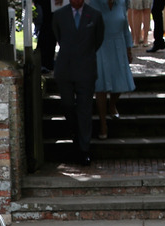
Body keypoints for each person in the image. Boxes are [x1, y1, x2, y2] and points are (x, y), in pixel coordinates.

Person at [52, 0, 105, 165]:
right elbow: (58, 36)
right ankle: (75, 134)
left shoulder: (95, 16)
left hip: (86, 70)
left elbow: (98, 40)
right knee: (68, 104)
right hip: (65, 70)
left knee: (84, 109)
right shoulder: (59, 15)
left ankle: (84, 149)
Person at [91, 0, 136, 139]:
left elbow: (125, 27)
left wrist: (129, 49)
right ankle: (103, 124)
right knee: (101, 86)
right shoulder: (93, 4)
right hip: (100, 46)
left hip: (119, 45)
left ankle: (112, 104)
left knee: (121, 80)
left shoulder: (122, 3)